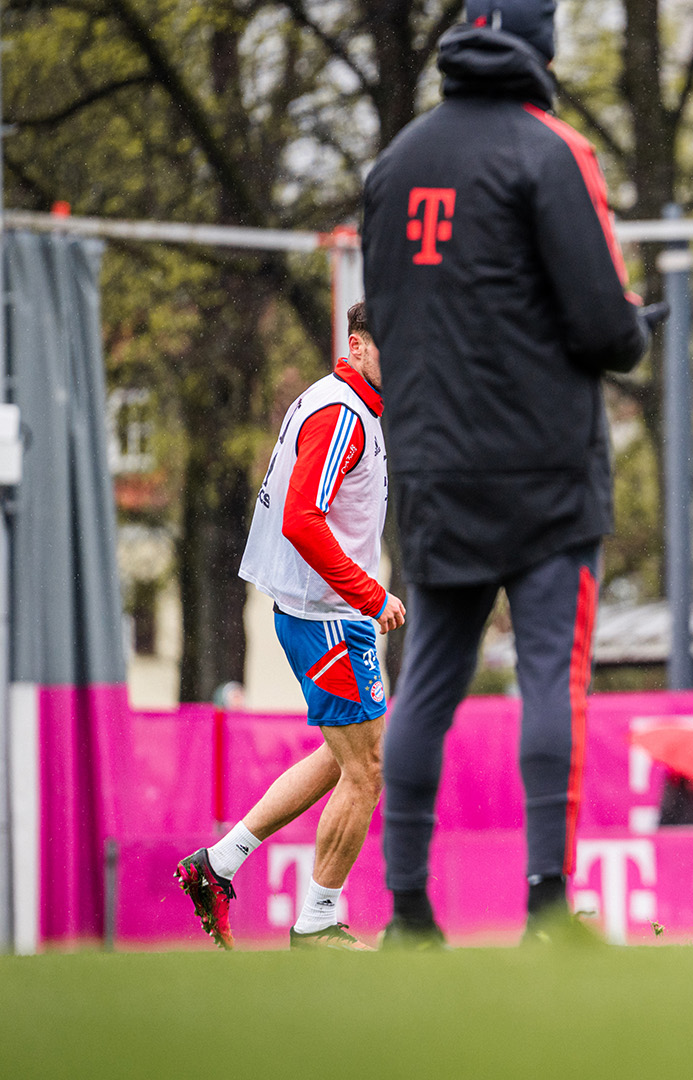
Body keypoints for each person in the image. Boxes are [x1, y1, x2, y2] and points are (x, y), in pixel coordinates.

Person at [361, 0, 653, 946]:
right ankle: (543, 906)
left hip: (435, 471)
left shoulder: (393, 163)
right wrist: (639, 322)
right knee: (548, 681)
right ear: (542, 46)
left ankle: (407, 908)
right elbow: (605, 330)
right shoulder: (550, 151)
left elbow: (394, 319)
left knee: (427, 685)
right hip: (545, 473)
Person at [175, 302, 404, 951]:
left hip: (323, 613)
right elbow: (303, 518)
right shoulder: (341, 414)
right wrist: (368, 593)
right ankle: (318, 922)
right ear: (357, 345)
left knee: (344, 762)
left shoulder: (339, 402)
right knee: (368, 770)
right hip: (329, 616)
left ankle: (218, 863)